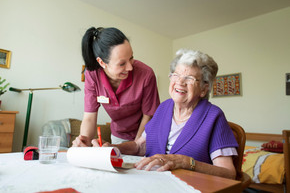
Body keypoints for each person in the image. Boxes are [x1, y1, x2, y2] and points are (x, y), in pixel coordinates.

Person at [92, 49, 239, 179]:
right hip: (153, 184)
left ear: (203, 88)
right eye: (176, 75)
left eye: (189, 78)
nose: (180, 82)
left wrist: (185, 162)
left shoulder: (213, 116)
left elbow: (228, 173)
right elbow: (139, 146)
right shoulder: (163, 108)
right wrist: (112, 148)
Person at [73, 27, 160, 146]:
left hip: (145, 133)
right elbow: (89, 116)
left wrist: (137, 146)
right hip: (118, 135)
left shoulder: (146, 74)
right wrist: (84, 142)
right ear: (102, 63)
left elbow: (148, 116)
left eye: (131, 58)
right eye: (122, 64)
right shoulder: (92, 75)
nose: (130, 67)